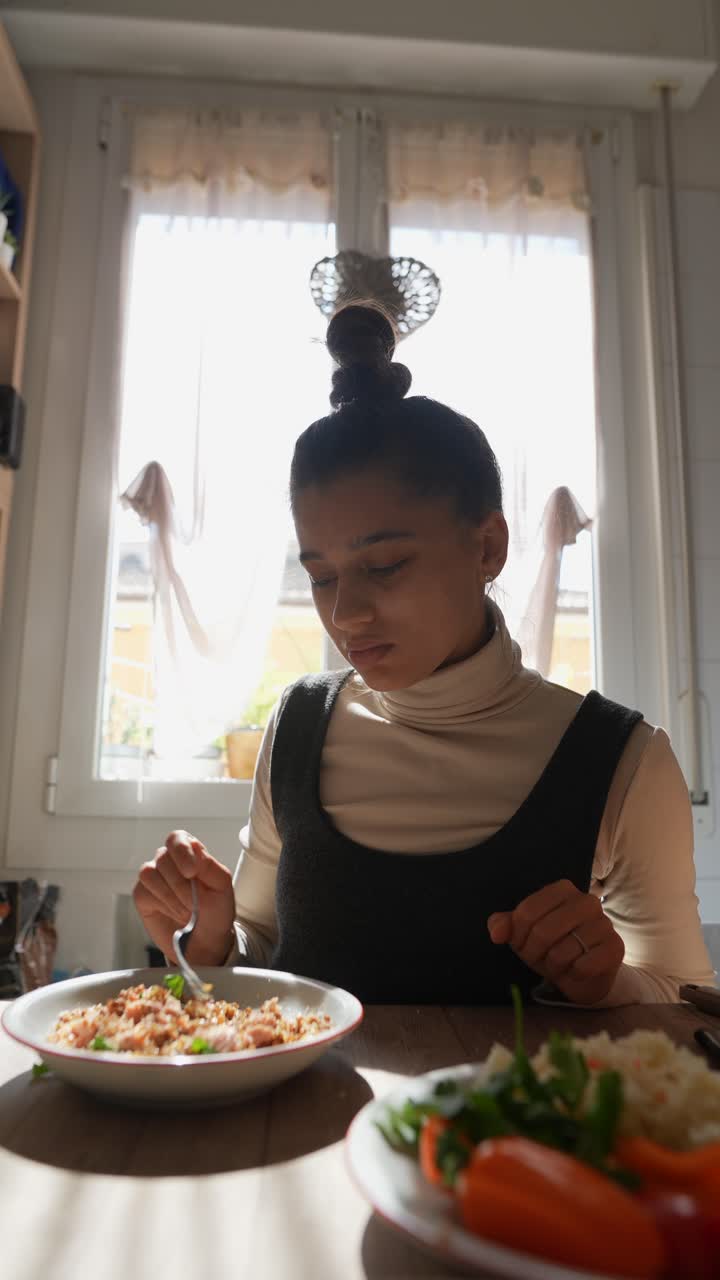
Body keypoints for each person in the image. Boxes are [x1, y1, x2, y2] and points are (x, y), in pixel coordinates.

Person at [133, 303, 715, 1006]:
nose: (345, 614)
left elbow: (686, 998)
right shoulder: (298, 725)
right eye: (321, 576)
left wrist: (605, 982)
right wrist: (206, 941)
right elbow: (257, 952)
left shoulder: (622, 759)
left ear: (488, 547)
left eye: (384, 566)